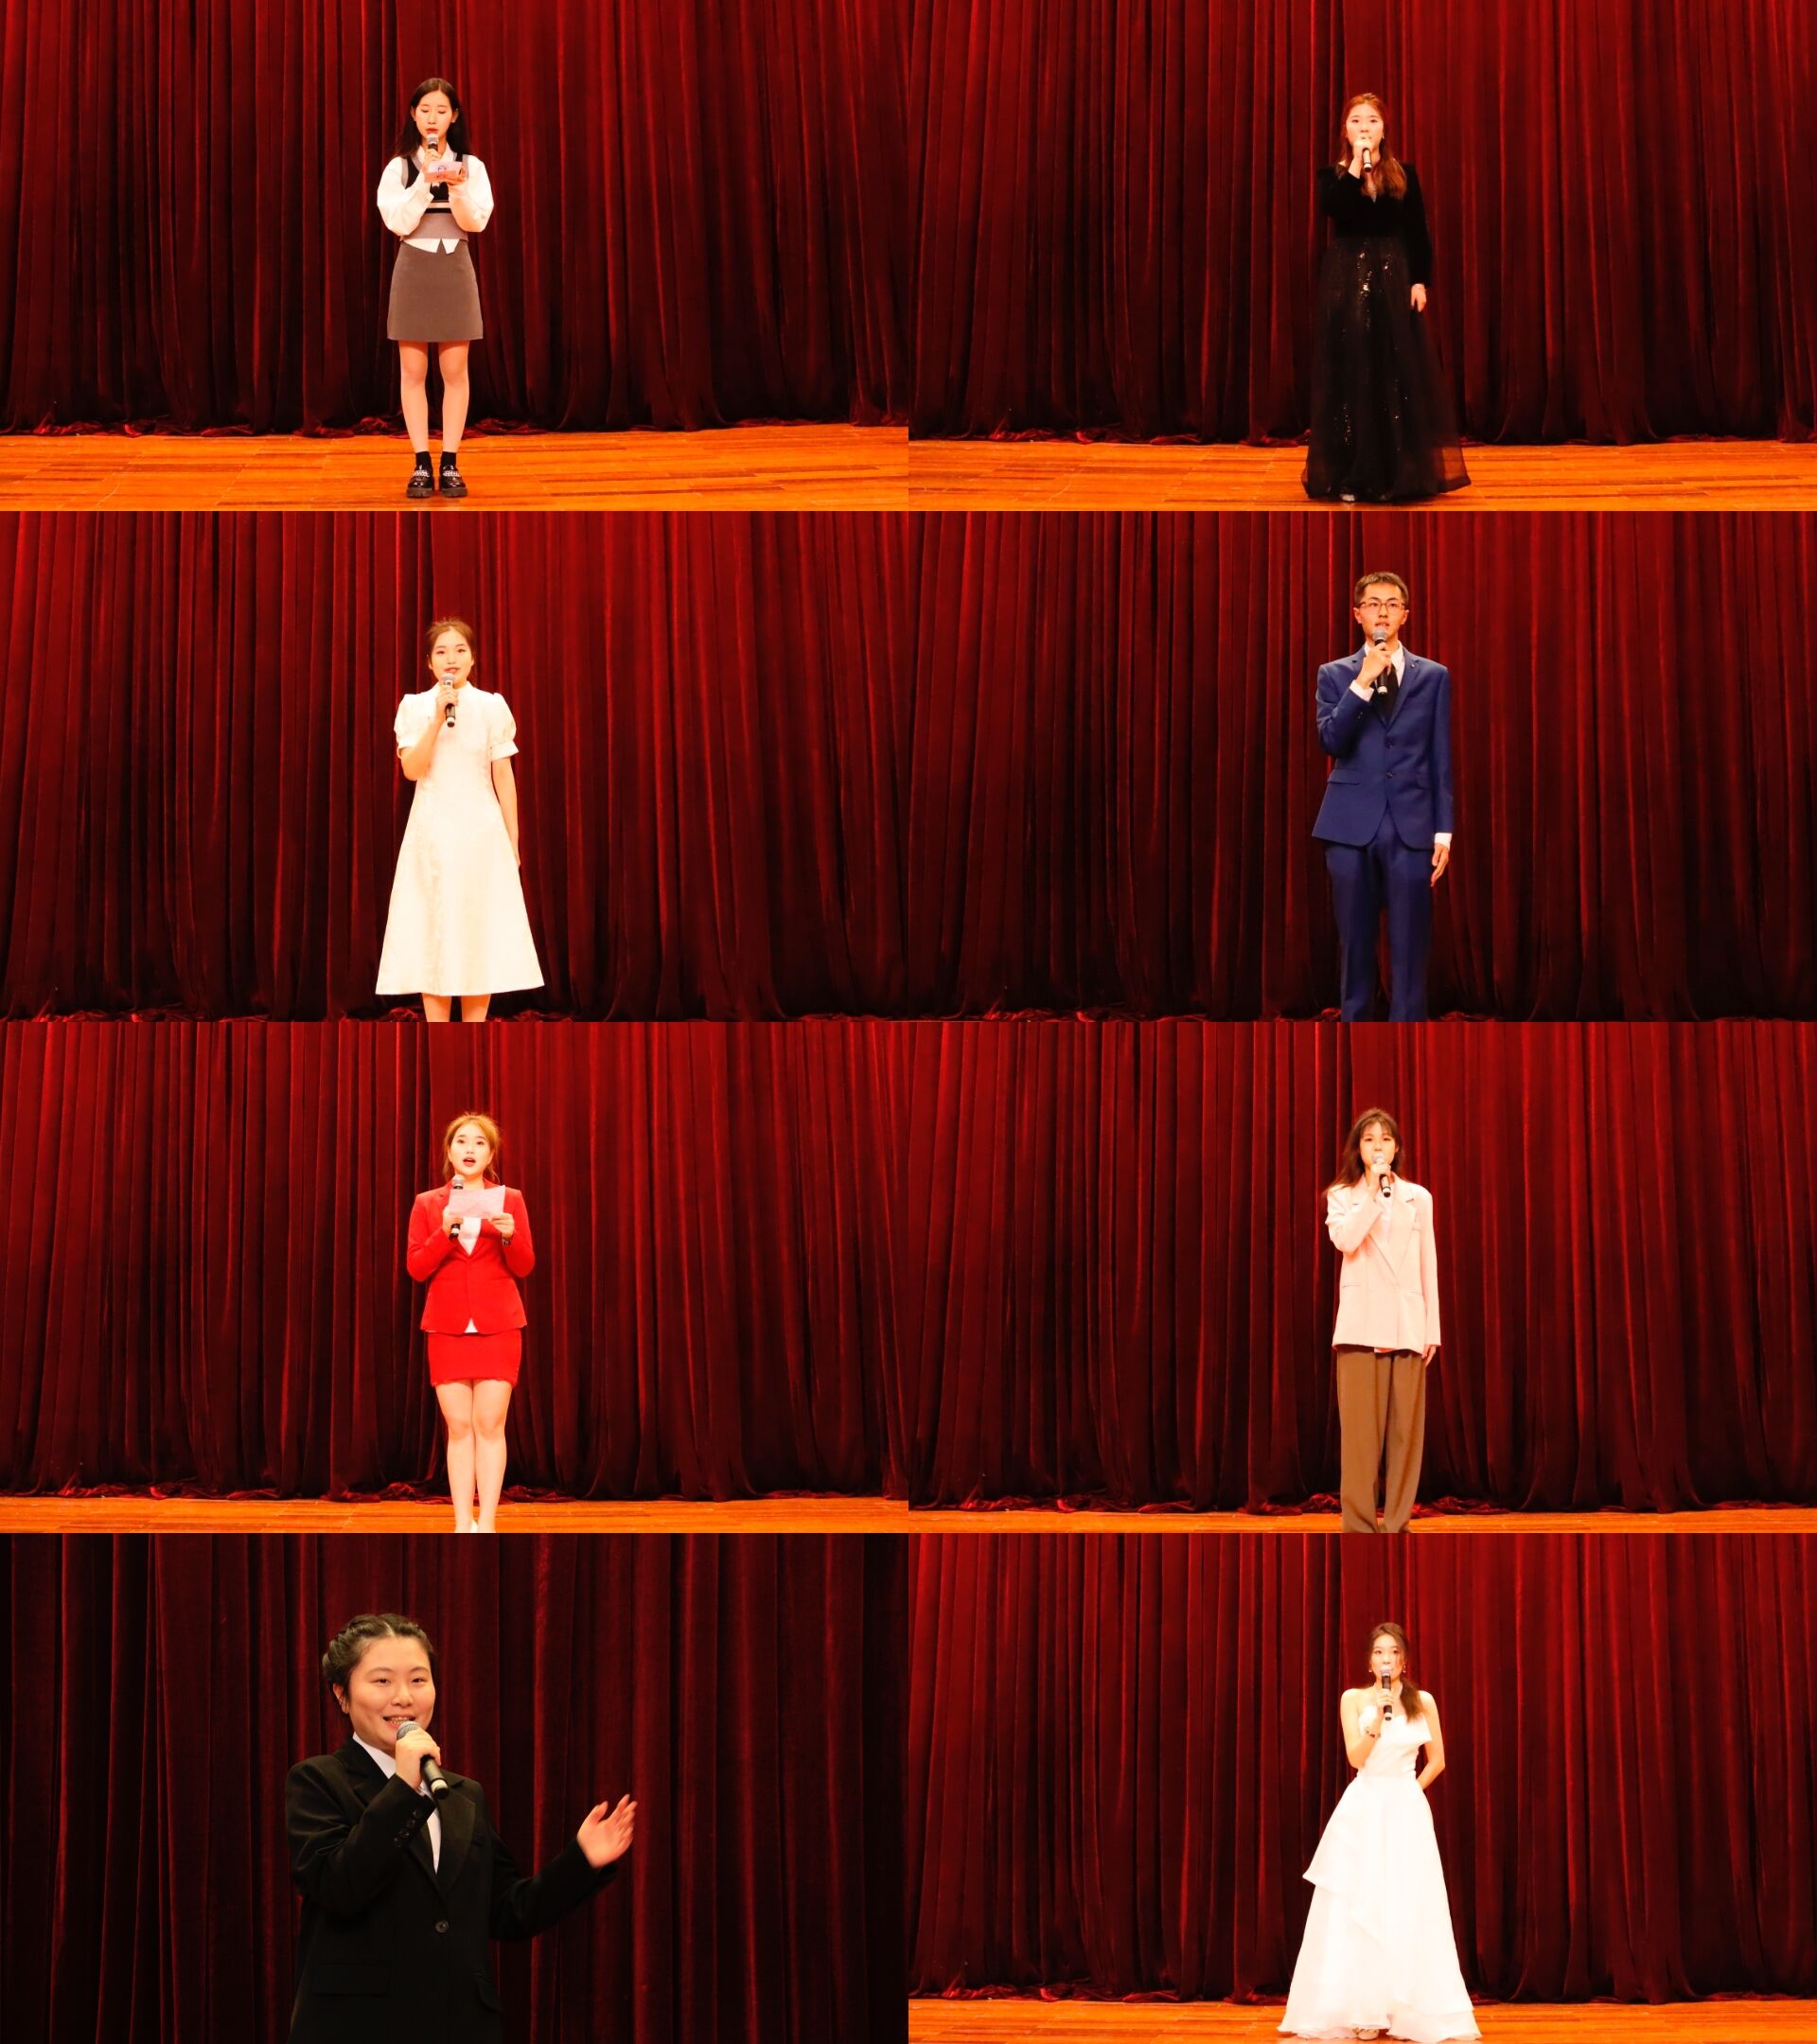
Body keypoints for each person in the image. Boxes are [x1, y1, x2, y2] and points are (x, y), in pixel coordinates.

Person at [288, 1612, 635, 2042]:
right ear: (342, 1694)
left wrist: (581, 1861)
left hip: (461, 2024)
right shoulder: (318, 1780)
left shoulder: (462, 1794)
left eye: (418, 1680)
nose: (404, 1697)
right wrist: (403, 1788)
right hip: (358, 2025)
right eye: (382, 1681)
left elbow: (506, 1912)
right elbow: (339, 1886)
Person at [1280, 1622, 1478, 2040]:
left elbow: (1438, 1759)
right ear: (1369, 1661)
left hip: (1406, 1807)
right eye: (1378, 1652)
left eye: (1394, 1652)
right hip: (1365, 1806)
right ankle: (1364, 2009)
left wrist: (1410, 1791)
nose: (1386, 1659)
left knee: (1408, 1902)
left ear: (1405, 1660)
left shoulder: (1423, 1701)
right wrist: (1378, 1723)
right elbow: (1356, 1758)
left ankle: (1408, 2010)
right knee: (1360, 1902)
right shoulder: (1353, 1699)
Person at [376, 616, 543, 1022]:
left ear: (473, 658)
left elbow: (503, 777)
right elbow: (413, 770)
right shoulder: (414, 707)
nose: (451, 658)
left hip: (481, 835)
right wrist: (437, 718)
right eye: (441, 651)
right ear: (429, 662)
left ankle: (474, 1031)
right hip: (431, 835)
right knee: (433, 932)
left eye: (459, 650)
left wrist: (512, 842)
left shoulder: (491, 706)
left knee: (476, 931)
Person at [1305, 95, 1469, 503]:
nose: (1364, 127)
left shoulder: (1403, 174)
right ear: (1345, 130)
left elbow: (1416, 231)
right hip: (1348, 278)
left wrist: (1420, 282)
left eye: (1372, 120)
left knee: (1395, 369)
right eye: (1356, 120)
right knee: (1353, 370)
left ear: (1384, 129)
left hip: (1393, 276)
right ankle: (1351, 473)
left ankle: (1400, 470)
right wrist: (1356, 168)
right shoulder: (1332, 176)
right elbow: (1336, 210)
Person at [1312, 573, 1453, 1022]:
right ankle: (1355, 1031)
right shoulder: (1335, 674)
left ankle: (1407, 1033)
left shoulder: (1433, 676)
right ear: (1358, 615)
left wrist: (1443, 830)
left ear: (1405, 615)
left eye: (1392, 604)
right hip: (1349, 825)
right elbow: (1332, 741)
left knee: (1410, 944)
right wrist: (1363, 682)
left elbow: (1440, 754)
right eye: (1373, 604)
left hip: (1412, 824)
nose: (1383, 613)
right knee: (1355, 943)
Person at [407, 1113, 535, 1532]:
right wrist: (444, 1232)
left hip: (499, 1324)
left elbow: (524, 1266)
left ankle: (489, 1522)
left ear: (491, 1154)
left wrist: (509, 1235)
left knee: (490, 1425)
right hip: (447, 1326)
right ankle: (463, 1523)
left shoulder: (509, 1199)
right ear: (449, 1151)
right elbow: (417, 1268)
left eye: (480, 1143)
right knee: (459, 1427)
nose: (470, 1149)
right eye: (462, 1141)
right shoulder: (428, 1203)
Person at [1324, 1109, 1440, 1535]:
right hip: (1360, 1327)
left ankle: (1396, 1525)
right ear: (1359, 1149)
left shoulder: (1419, 1198)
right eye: (1370, 1139)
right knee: (1360, 1437)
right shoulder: (1343, 1196)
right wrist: (1372, 1192)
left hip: (1408, 1325)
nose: (1378, 1147)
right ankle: (1358, 1529)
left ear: (1397, 1148)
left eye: (1386, 1139)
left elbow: (1428, 1263)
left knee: (1406, 1435)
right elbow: (1346, 1240)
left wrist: (1432, 1329)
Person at [377, 77, 493, 499]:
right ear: (413, 115)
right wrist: (424, 182)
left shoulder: (471, 166)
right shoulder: (399, 168)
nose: (432, 118)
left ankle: (450, 462)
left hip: (454, 265)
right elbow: (398, 223)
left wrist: (457, 188)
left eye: (441, 111)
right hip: (413, 266)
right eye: (425, 110)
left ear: (454, 117)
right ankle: (421, 462)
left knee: (455, 372)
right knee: (413, 372)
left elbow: (476, 222)